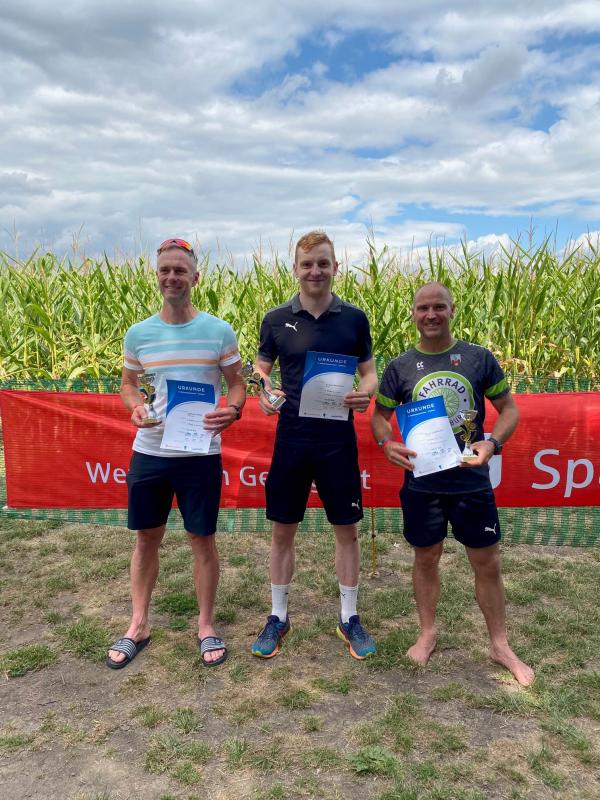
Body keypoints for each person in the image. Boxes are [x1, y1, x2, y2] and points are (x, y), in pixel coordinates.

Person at [371, 282, 534, 686]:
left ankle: (500, 645)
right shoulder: (399, 367)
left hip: (471, 481)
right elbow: (379, 417)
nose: (431, 314)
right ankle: (427, 634)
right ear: (413, 313)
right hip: (422, 484)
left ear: (452, 310)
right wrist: (386, 444)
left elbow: (509, 410)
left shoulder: (478, 359)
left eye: (439, 307)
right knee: (426, 558)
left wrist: (492, 443)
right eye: (423, 308)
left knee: (487, 563)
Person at [106, 237, 245, 670]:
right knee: (147, 538)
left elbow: (237, 383)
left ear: (195, 277)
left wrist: (233, 410)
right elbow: (128, 384)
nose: (172, 277)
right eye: (165, 270)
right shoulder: (139, 334)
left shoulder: (218, 331)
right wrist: (134, 406)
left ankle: (206, 625)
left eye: (180, 270)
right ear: (157, 276)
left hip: (200, 454)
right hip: (150, 451)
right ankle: (138, 624)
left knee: (202, 539)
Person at [250, 231, 378, 660]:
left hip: (337, 441)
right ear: (295, 269)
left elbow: (370, 374)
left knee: (347, 530)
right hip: (292, 438)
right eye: (307, 264)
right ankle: (278, 616)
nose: (315, 271)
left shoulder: (354, 319)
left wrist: (365, 393)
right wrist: (264, 391)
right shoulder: (275, 319)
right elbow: (261, 369)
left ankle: (349, 617)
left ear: (335, 267)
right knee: (282, 530)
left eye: (323, 263)